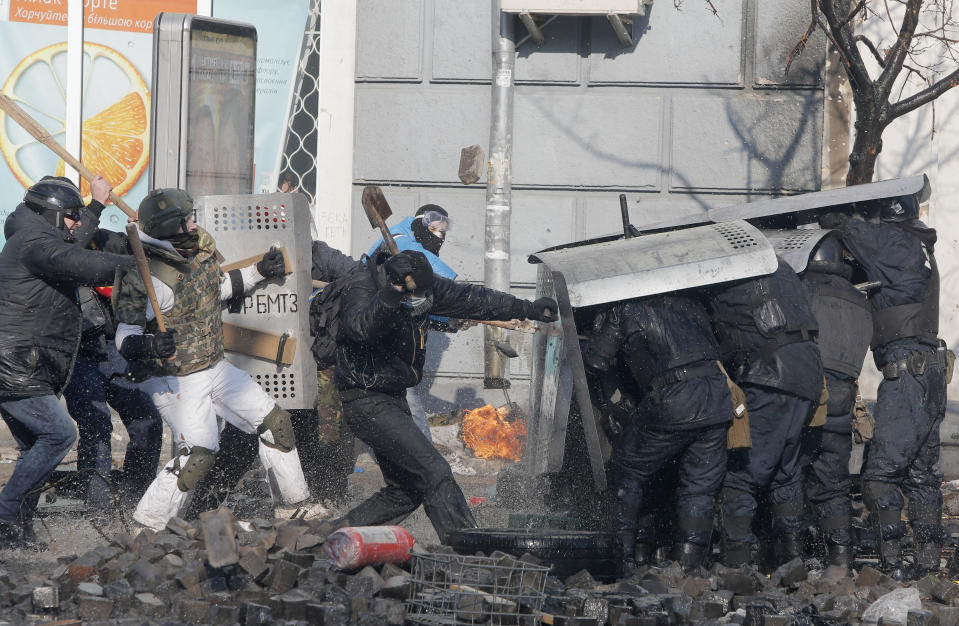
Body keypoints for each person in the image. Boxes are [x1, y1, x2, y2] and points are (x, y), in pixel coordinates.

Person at [317, 249, 557, 543]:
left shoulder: (424, 288)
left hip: (392, 396)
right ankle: (468, 547)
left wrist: (526, 308)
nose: (426, 301)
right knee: (434, 471)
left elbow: (473, 300)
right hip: (365, 398)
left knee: (406, 491)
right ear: (396, 284)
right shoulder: (363, 286)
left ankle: (329, 536)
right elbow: (359, 329)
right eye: (416, 295)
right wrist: (390, 296)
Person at [113, 188, 311, 530]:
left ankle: (294, 506)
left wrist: (258, 271)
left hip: (214, 366)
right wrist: (149, 345)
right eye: (186, 219)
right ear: (169, 227)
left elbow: (215, 289)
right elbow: (124, 336)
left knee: (274, 422)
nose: (194, 222)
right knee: (198, 456)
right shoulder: (143, 274)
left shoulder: (198, 250)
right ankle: (147, 527)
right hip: (175, 378)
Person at [0, 175, 133, 548]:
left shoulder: (34, 235)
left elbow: (70, 244)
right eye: (72, 215)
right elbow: (75, 258)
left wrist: (95, 206)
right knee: (60, 433)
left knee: (35, 453)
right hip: (15, 366)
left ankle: (16, 535)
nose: (78, 222)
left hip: (26, 364)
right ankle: (5, 515)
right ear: (53, 215)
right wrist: (134, 265)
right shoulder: (33, 242)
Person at [184, 240, 361, 519]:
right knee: (240, 442)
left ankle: (323, 503)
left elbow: (355, 272)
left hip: (302, 370)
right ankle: (199, 511)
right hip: (251, 366)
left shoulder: (315, 253)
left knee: (310, 434)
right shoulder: (234, 256)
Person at [823, 195, 947, 579]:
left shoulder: (896, 242)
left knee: (879, 477)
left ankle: (890, 565)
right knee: (921, 475)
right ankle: (927, 564)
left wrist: (834, 214)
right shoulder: (921, 244)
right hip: (930, 372)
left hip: (907, 373)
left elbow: (849, 229)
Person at [584, 294, 734, 574]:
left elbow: (596, 361)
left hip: (676, 397)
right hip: (716, 397)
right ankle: (688, 567)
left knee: (627, 470)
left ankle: (621, 560)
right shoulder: (691, 303)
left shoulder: (624, 307)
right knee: (700, 489)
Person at [707, 259, 824, 568]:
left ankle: (737, 564)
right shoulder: (781, 266)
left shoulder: (723, 268)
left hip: (770, 374)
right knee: (785, 472)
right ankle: (792, 559)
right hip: (808, 372)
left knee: (743, 473)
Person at [797, 233, 871, 568]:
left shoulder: (804, 288)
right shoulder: (859, 299)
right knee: (834, 483)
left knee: (787, 472)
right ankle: (840, 558)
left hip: (807, 396)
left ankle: (792, 553)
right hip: (842, 402)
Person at [368, 205, 456, 441]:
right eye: (434, 226)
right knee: (407, 401)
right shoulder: (399, 238)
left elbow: (418, 302)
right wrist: (457, 294)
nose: (439, 234)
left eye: (443, 230)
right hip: (372, 330)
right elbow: (434, 274)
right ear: (420, 221)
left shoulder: (412, 251)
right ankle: (426, 459)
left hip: (387, 334)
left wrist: (448, 320)